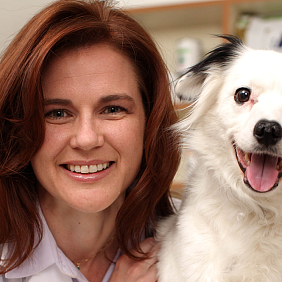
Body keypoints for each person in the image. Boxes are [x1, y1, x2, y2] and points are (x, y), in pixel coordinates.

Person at [0, 0, 180, 281]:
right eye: (58, 113)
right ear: (18, 127)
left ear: (150, 121)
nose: (86, 139)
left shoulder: (203, 238)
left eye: (112, 109)